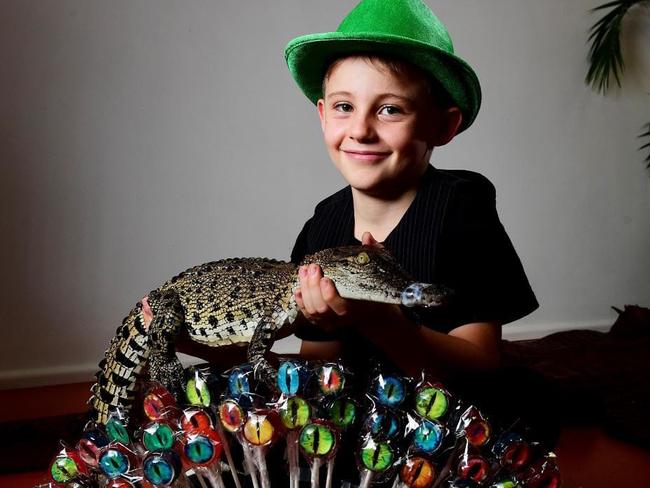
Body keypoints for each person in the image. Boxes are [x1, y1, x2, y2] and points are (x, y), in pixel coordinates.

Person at [285, 0, 538, 383]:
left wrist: (380, 320)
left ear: (443, 126)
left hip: (447, 425)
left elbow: (481, 368)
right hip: (360, 428)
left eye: (390, 110)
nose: (360, 130)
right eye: (343, 106)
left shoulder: (462, 211)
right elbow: (319, 366)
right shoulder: (323, 227)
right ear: (322, 115)